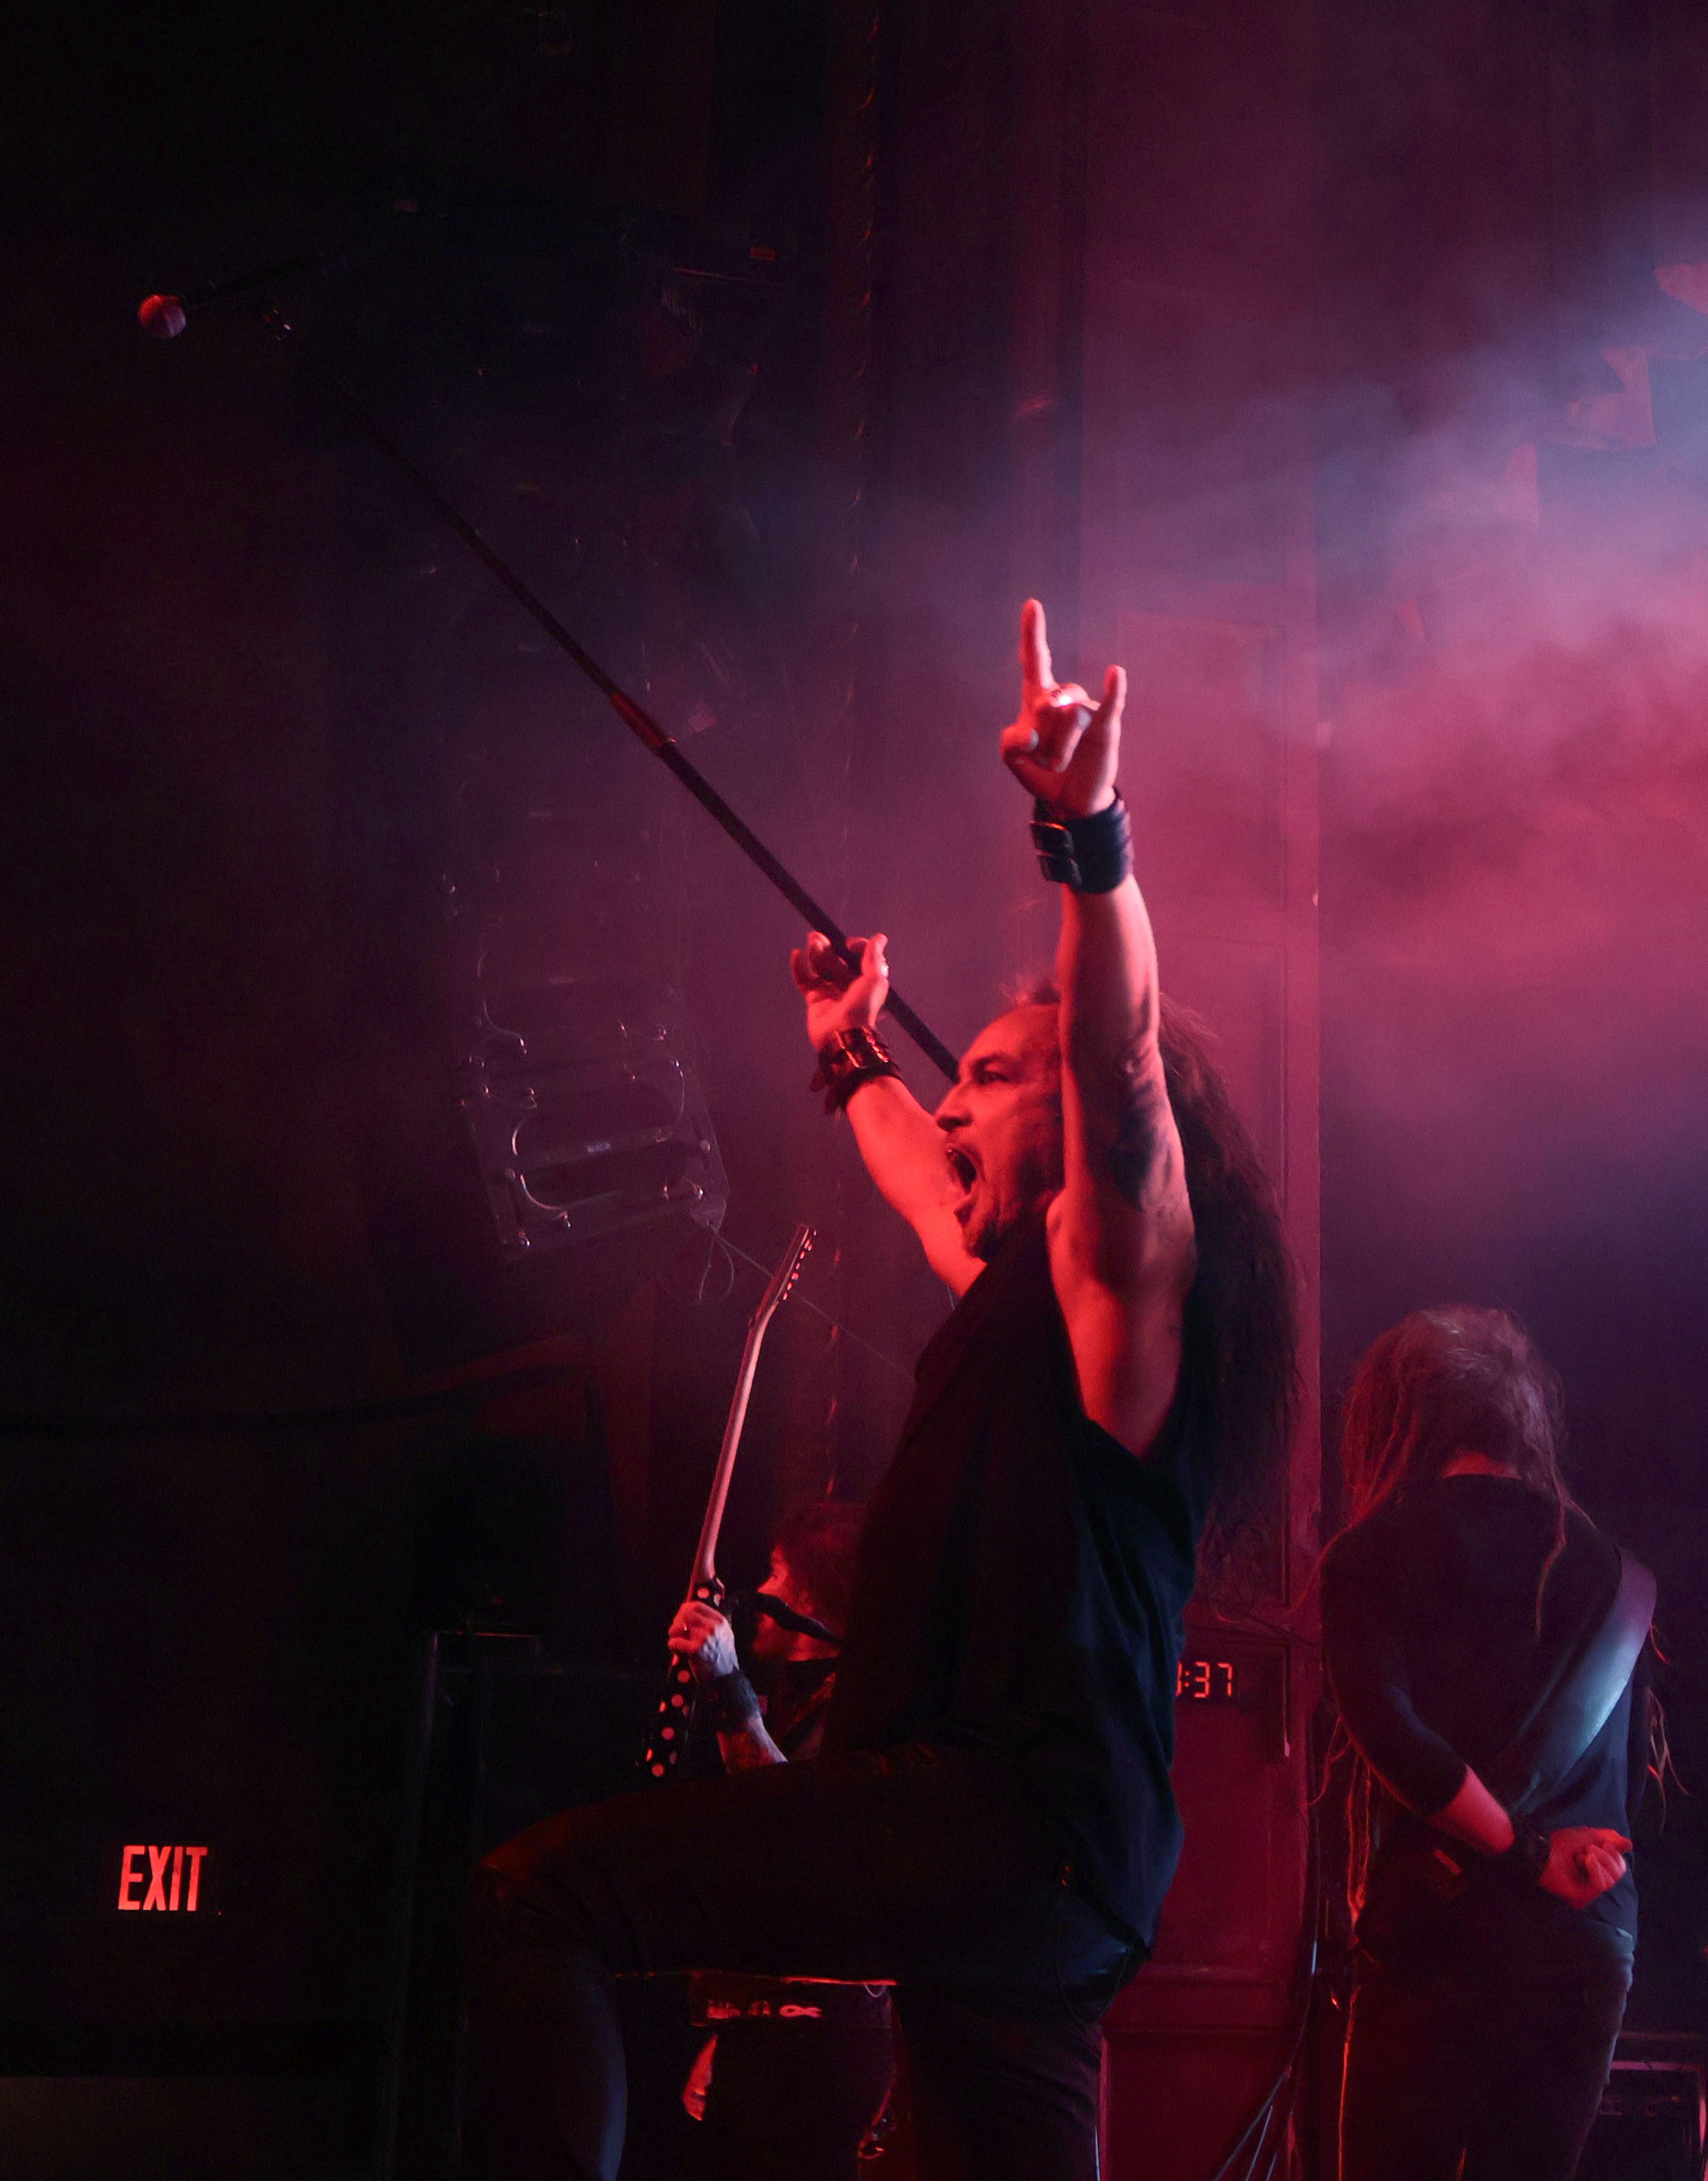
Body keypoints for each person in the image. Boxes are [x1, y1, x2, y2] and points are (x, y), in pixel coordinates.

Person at [468, 599, 1303, 2180]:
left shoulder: (1120, 1290)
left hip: (997, 1820)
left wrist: (1090, 838)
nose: (951, 1103)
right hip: (1040, 1874)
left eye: (985, 1075)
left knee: (539, 1895)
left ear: (1078, 1123)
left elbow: (1121, 1065)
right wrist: (848, 1054)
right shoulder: (1009, 1287)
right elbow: (926, 1177)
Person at [1318, 1306, 1651, 2181]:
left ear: (1397, 1420)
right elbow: (1632, 1795)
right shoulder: (1613, 1572)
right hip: (1583, 1932)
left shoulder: (1370, 1554)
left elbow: (1392, 1735)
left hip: (1440, 1930)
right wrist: (1557, 1857)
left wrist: (1521, 1850)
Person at [658, 1501, 894, 2181]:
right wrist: (732, 2026)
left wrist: (727, 1684)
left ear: (811, 1594)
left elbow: (788, 1823)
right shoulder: (796, 1697)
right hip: (772, 2029)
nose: (760, 1590)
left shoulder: (859, 1708)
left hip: (820, 2039)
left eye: (776, 1570)